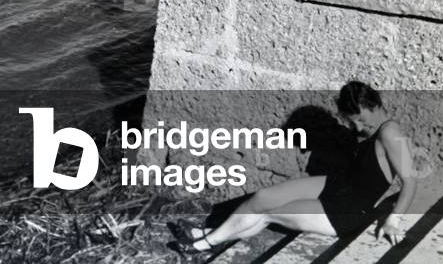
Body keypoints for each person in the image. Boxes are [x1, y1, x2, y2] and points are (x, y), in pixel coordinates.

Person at [174, 81, 417, 255]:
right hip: (336, 185)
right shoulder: (372, 129)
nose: (357, 126)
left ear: (373, 106)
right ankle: (205, 234)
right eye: (351, 120)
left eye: (360, 119)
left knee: (268, 213)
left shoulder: (390, 131)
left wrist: (393, 221)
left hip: (347, 211)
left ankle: (202, 244)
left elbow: (411, 182)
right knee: (264, 197)